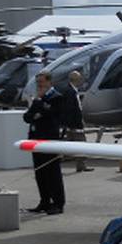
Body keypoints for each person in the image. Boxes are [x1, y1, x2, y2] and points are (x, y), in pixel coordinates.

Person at [23, 71, 66, 214]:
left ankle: (58, 203)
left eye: (42, 82)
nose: (39, 85)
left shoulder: (57, 97)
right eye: (38, 82)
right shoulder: (38, 99)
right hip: (36, 139)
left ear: (49, 82)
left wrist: (39, 106)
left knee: (52, 172)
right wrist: (38, 107)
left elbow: (51, 115)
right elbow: (28, 117)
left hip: (49, 139)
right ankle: (45, 201)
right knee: (40, 173)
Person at [62, 70, 92, 171]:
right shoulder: (71, 92)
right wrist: (76, 123)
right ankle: (81, 165)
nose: (81, 81)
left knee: (72, 144)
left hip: (72, 123)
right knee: (81, 143)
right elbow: (71, 109)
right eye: (80, 79)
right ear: (76, 80)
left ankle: (80, 164)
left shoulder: (70, 90)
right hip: (75, 124)